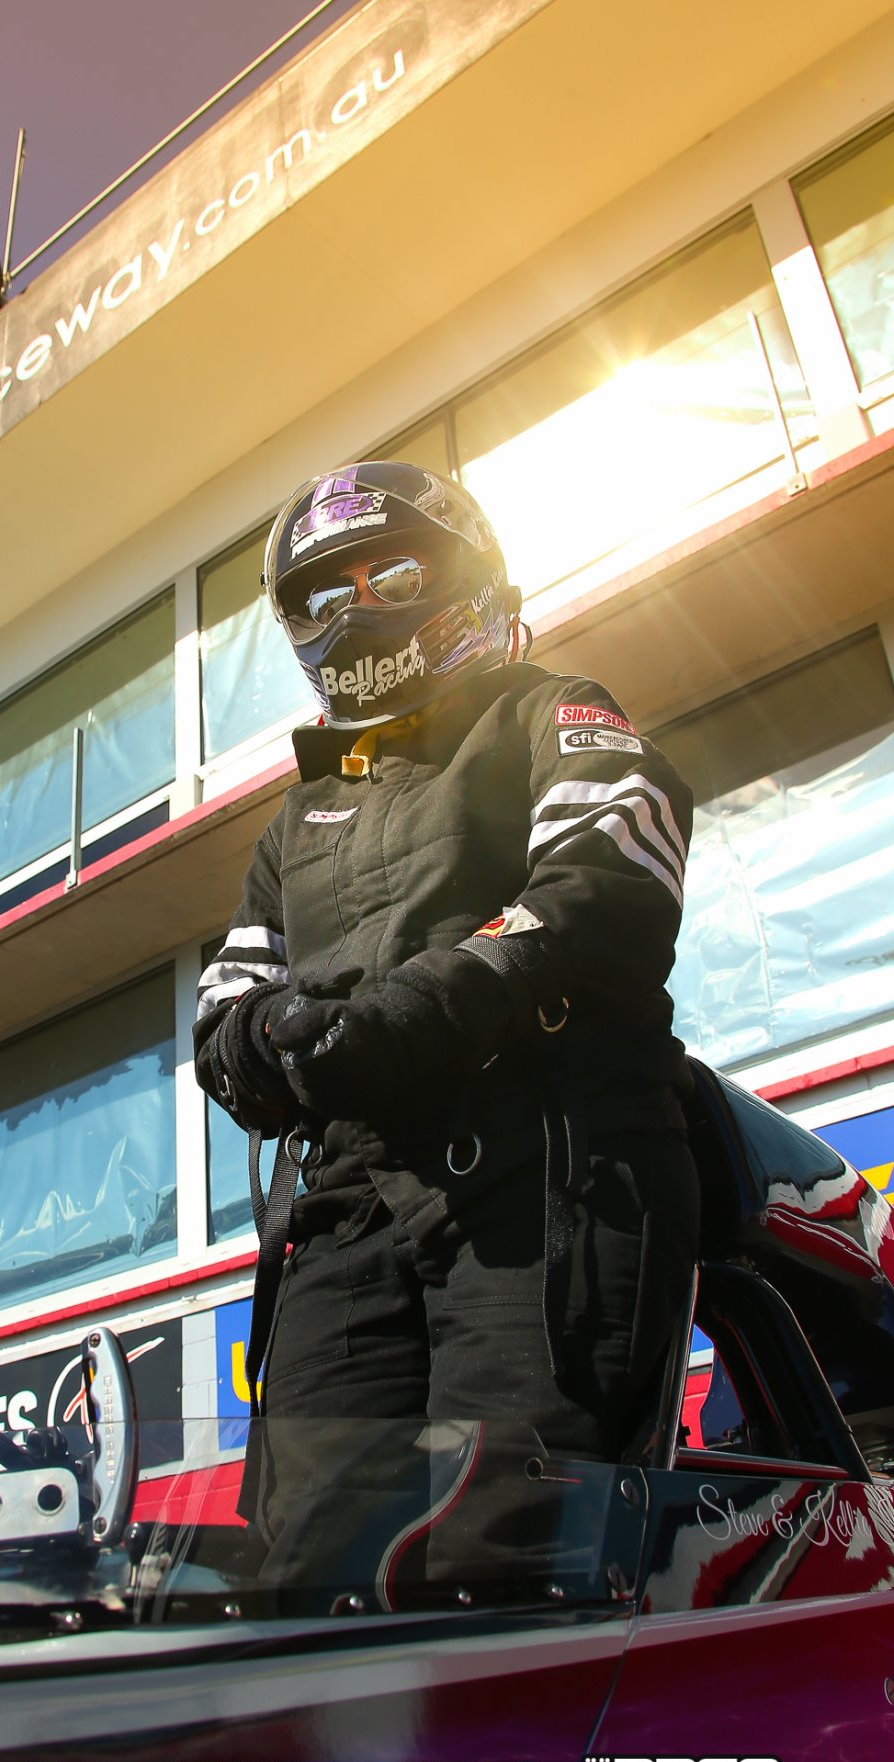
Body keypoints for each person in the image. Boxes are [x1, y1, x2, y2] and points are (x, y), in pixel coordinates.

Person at [193, 460, 699, 1562]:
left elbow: (608, 869)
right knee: (306, 1574)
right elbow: (223, 1003)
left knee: (508, 1554)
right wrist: (274, 1039)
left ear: (462, 576)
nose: (359, 608)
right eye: (325, 596)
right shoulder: (296, 820)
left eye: (393, 572)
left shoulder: (549, 709)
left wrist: (425, 1002)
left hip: (547, 1176)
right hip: (344, 1210)